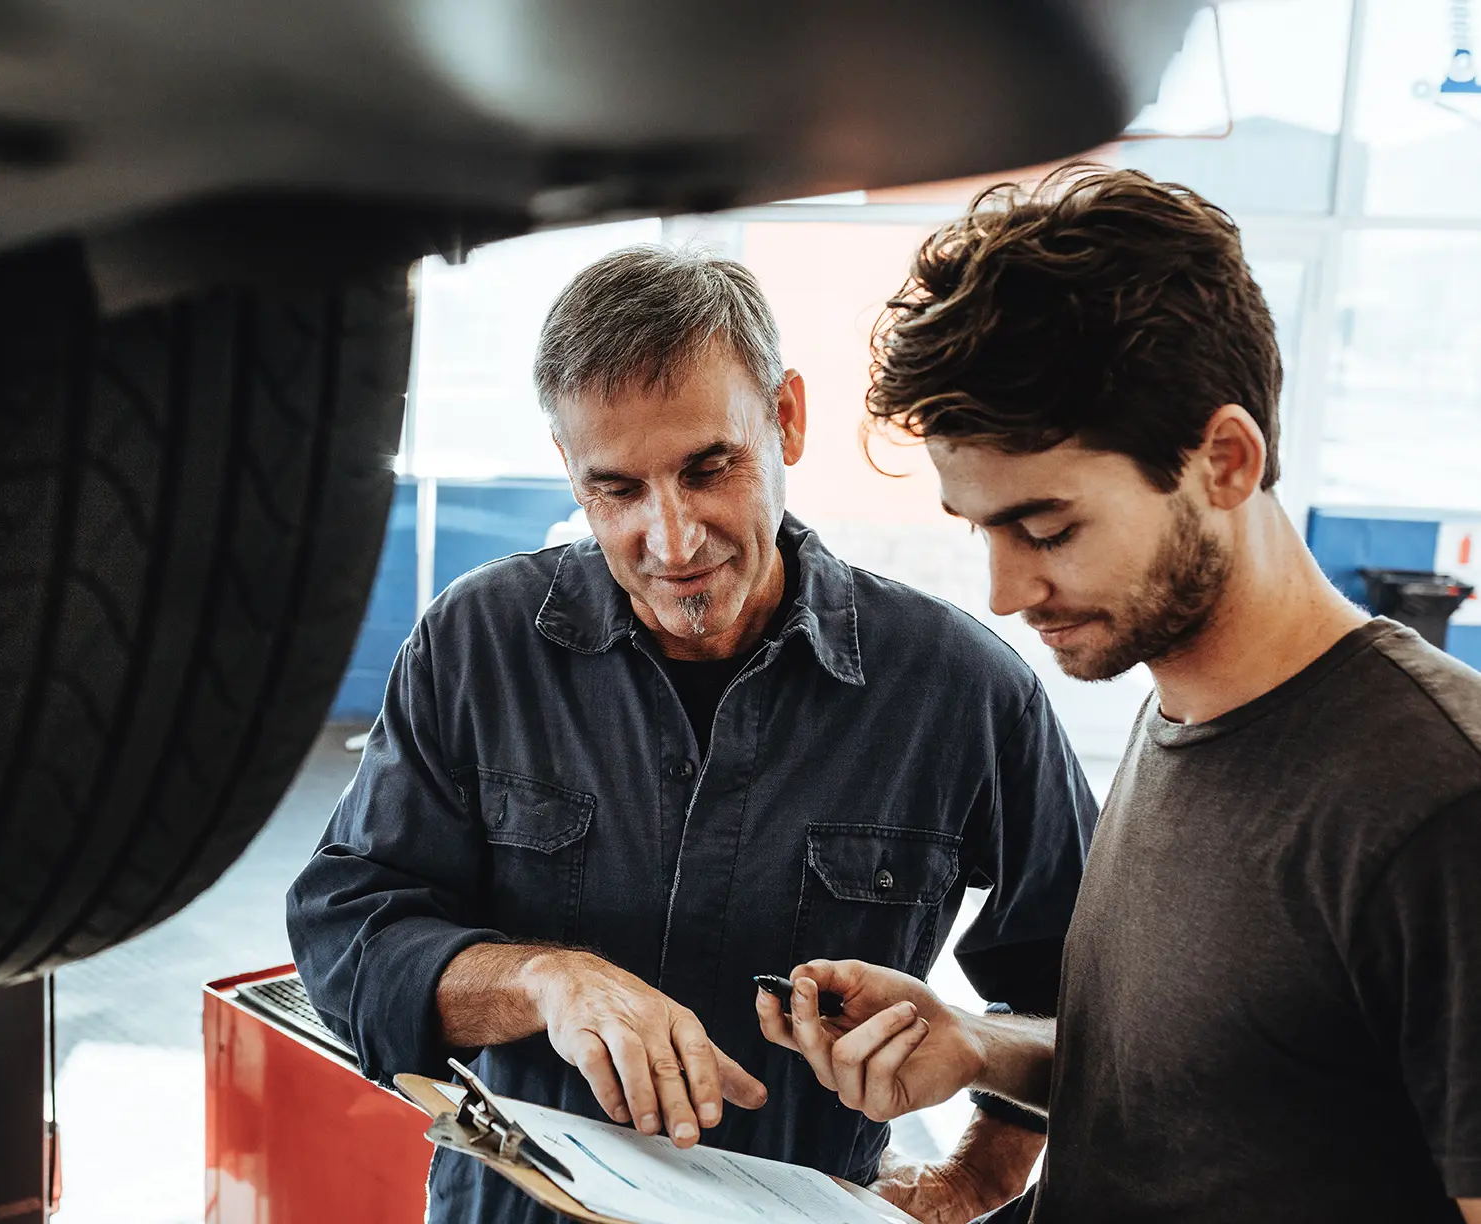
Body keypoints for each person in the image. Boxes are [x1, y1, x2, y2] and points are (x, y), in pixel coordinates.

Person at [286, 245, 1102, 1224]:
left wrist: (980, 1173)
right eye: (617, 490)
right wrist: (547, 982)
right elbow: (349, 937)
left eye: (710, 469)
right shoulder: (476, 647)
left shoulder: (964, 692)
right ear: (568, 470)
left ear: (787, 419)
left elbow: (1088, 1006)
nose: (671, 542)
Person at [758, 166, 1481, 1223]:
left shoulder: (1437, 804)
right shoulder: (1177, 712)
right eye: (983, 530)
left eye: (1047, 529)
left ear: (1225, 460)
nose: (1006, 591)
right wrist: (973, 1045)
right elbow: (1207, 1097)